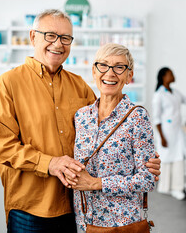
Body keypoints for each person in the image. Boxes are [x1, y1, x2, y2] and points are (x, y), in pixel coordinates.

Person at [0, 9, 161, 233]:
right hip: (30, 207)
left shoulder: (79, 85)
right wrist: (50, 163)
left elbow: (103, 132)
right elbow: (2, 146)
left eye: (65, 38)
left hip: (75, 207)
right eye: (50, 35)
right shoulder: (8, 84)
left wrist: (145, 160)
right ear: (33, 37)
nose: (58, 44)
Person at [64, 43, 155, 232]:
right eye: (103, 65)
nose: (110, 73)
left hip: (121, 224)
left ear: (129, 76)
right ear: (94, 71)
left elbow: (148, 179)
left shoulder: (137, 117)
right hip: (84, 221)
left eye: (119, 67)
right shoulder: (81, 117)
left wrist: (96, 183)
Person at [152, 67, 186, 200]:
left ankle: (177, 188)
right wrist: (162, 137)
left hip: (177, 132)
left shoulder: (175, 92)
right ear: (164, 77)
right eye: (171, 74)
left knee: (178, 158)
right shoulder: (159, 95)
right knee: (166, 159)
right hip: (166, 132)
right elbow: (156, 119)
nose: (173, 75)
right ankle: (165, 187)